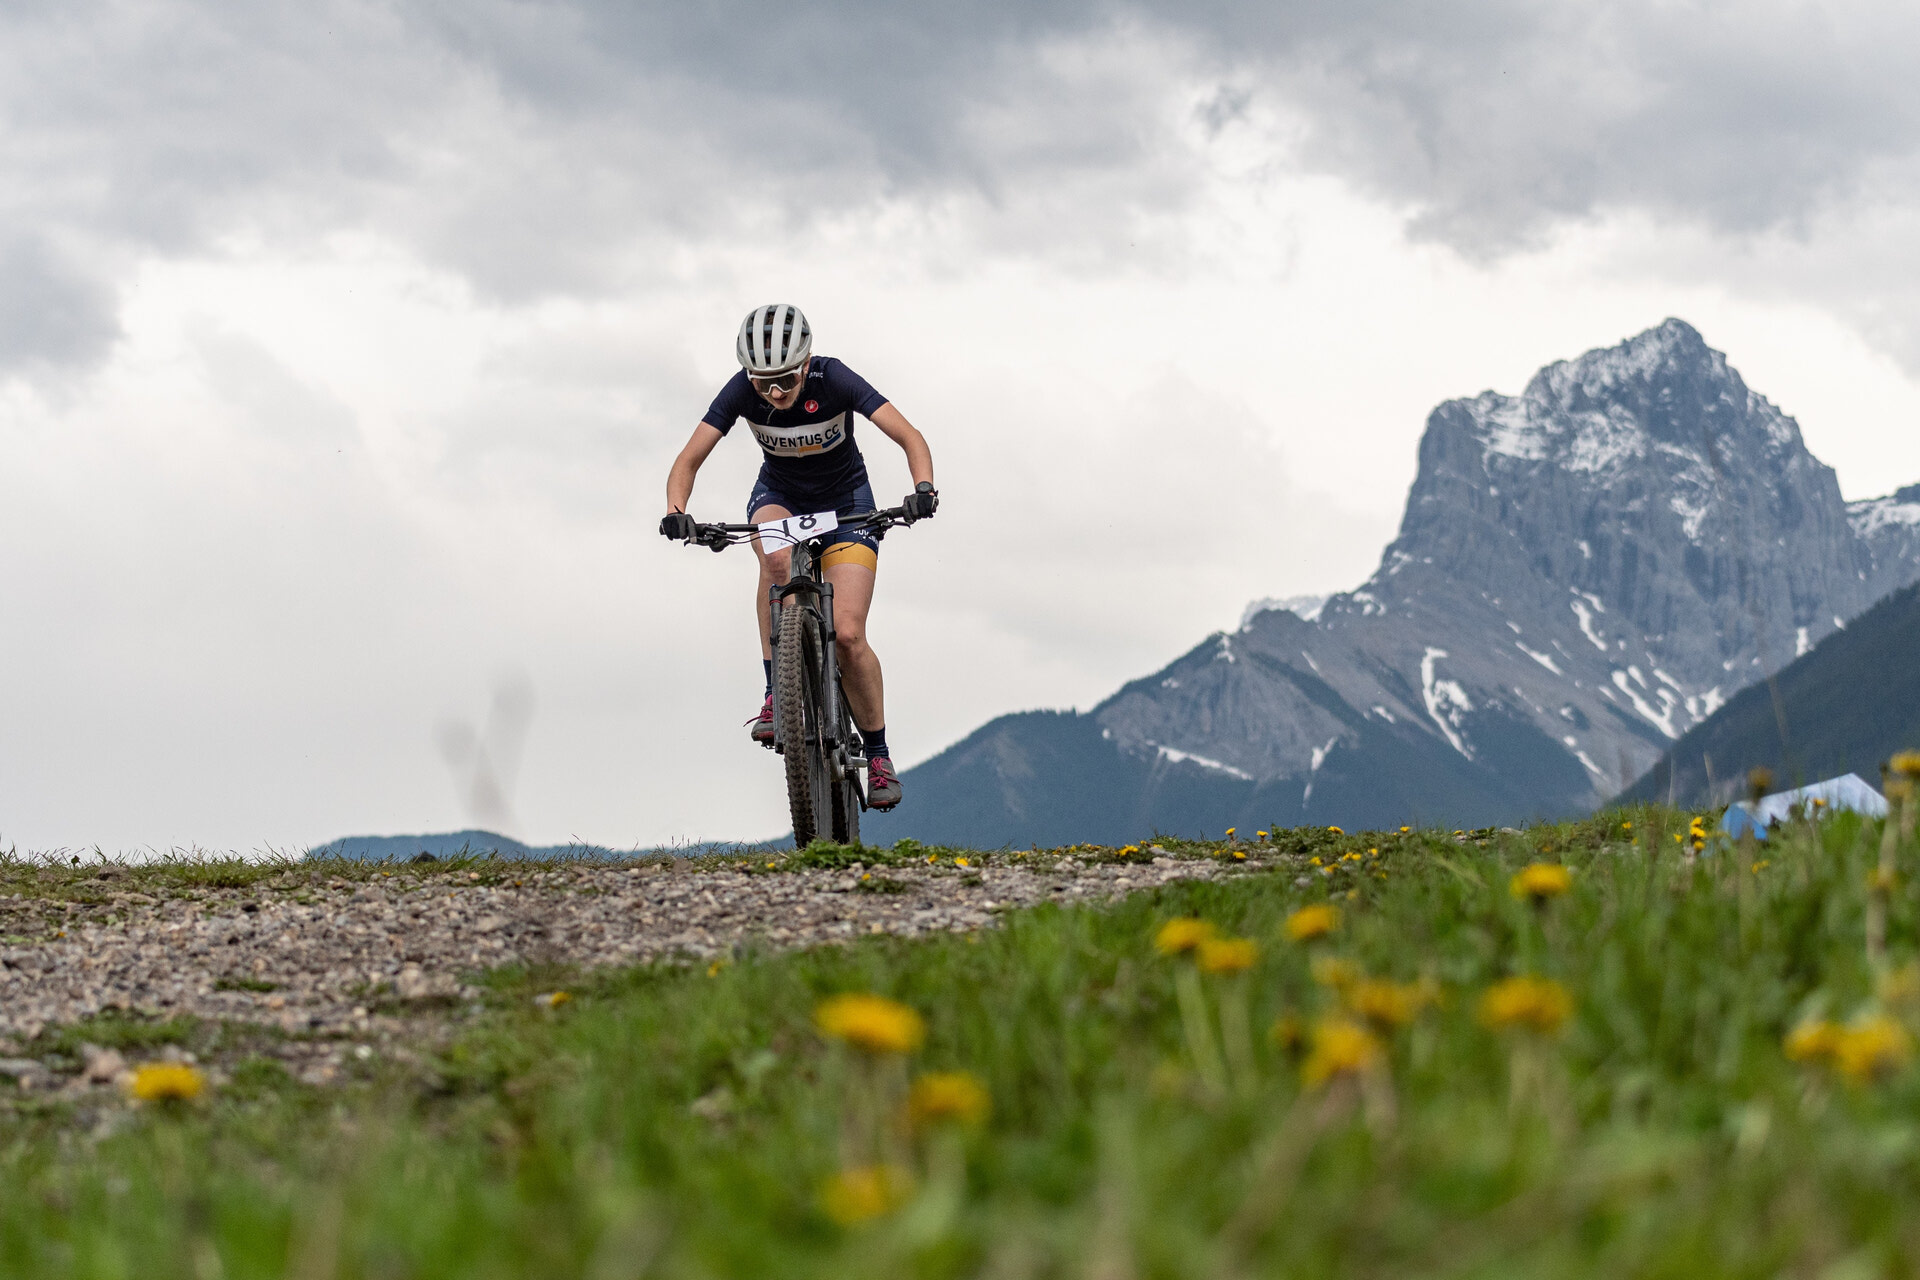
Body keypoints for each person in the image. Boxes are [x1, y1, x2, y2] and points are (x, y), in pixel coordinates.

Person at [659, 304, 936, 810]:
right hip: (780, 496)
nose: (776, 393)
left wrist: (923, 489)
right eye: (763, 383)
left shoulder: (835, 379)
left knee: (849, 634)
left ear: (806, 364)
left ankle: (877, 755)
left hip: (848, 503)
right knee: (775, 560)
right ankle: (776, 693)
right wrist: (677, 510)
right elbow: (688, 459)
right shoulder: (742, 391)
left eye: (785, 379)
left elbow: (909, 436)